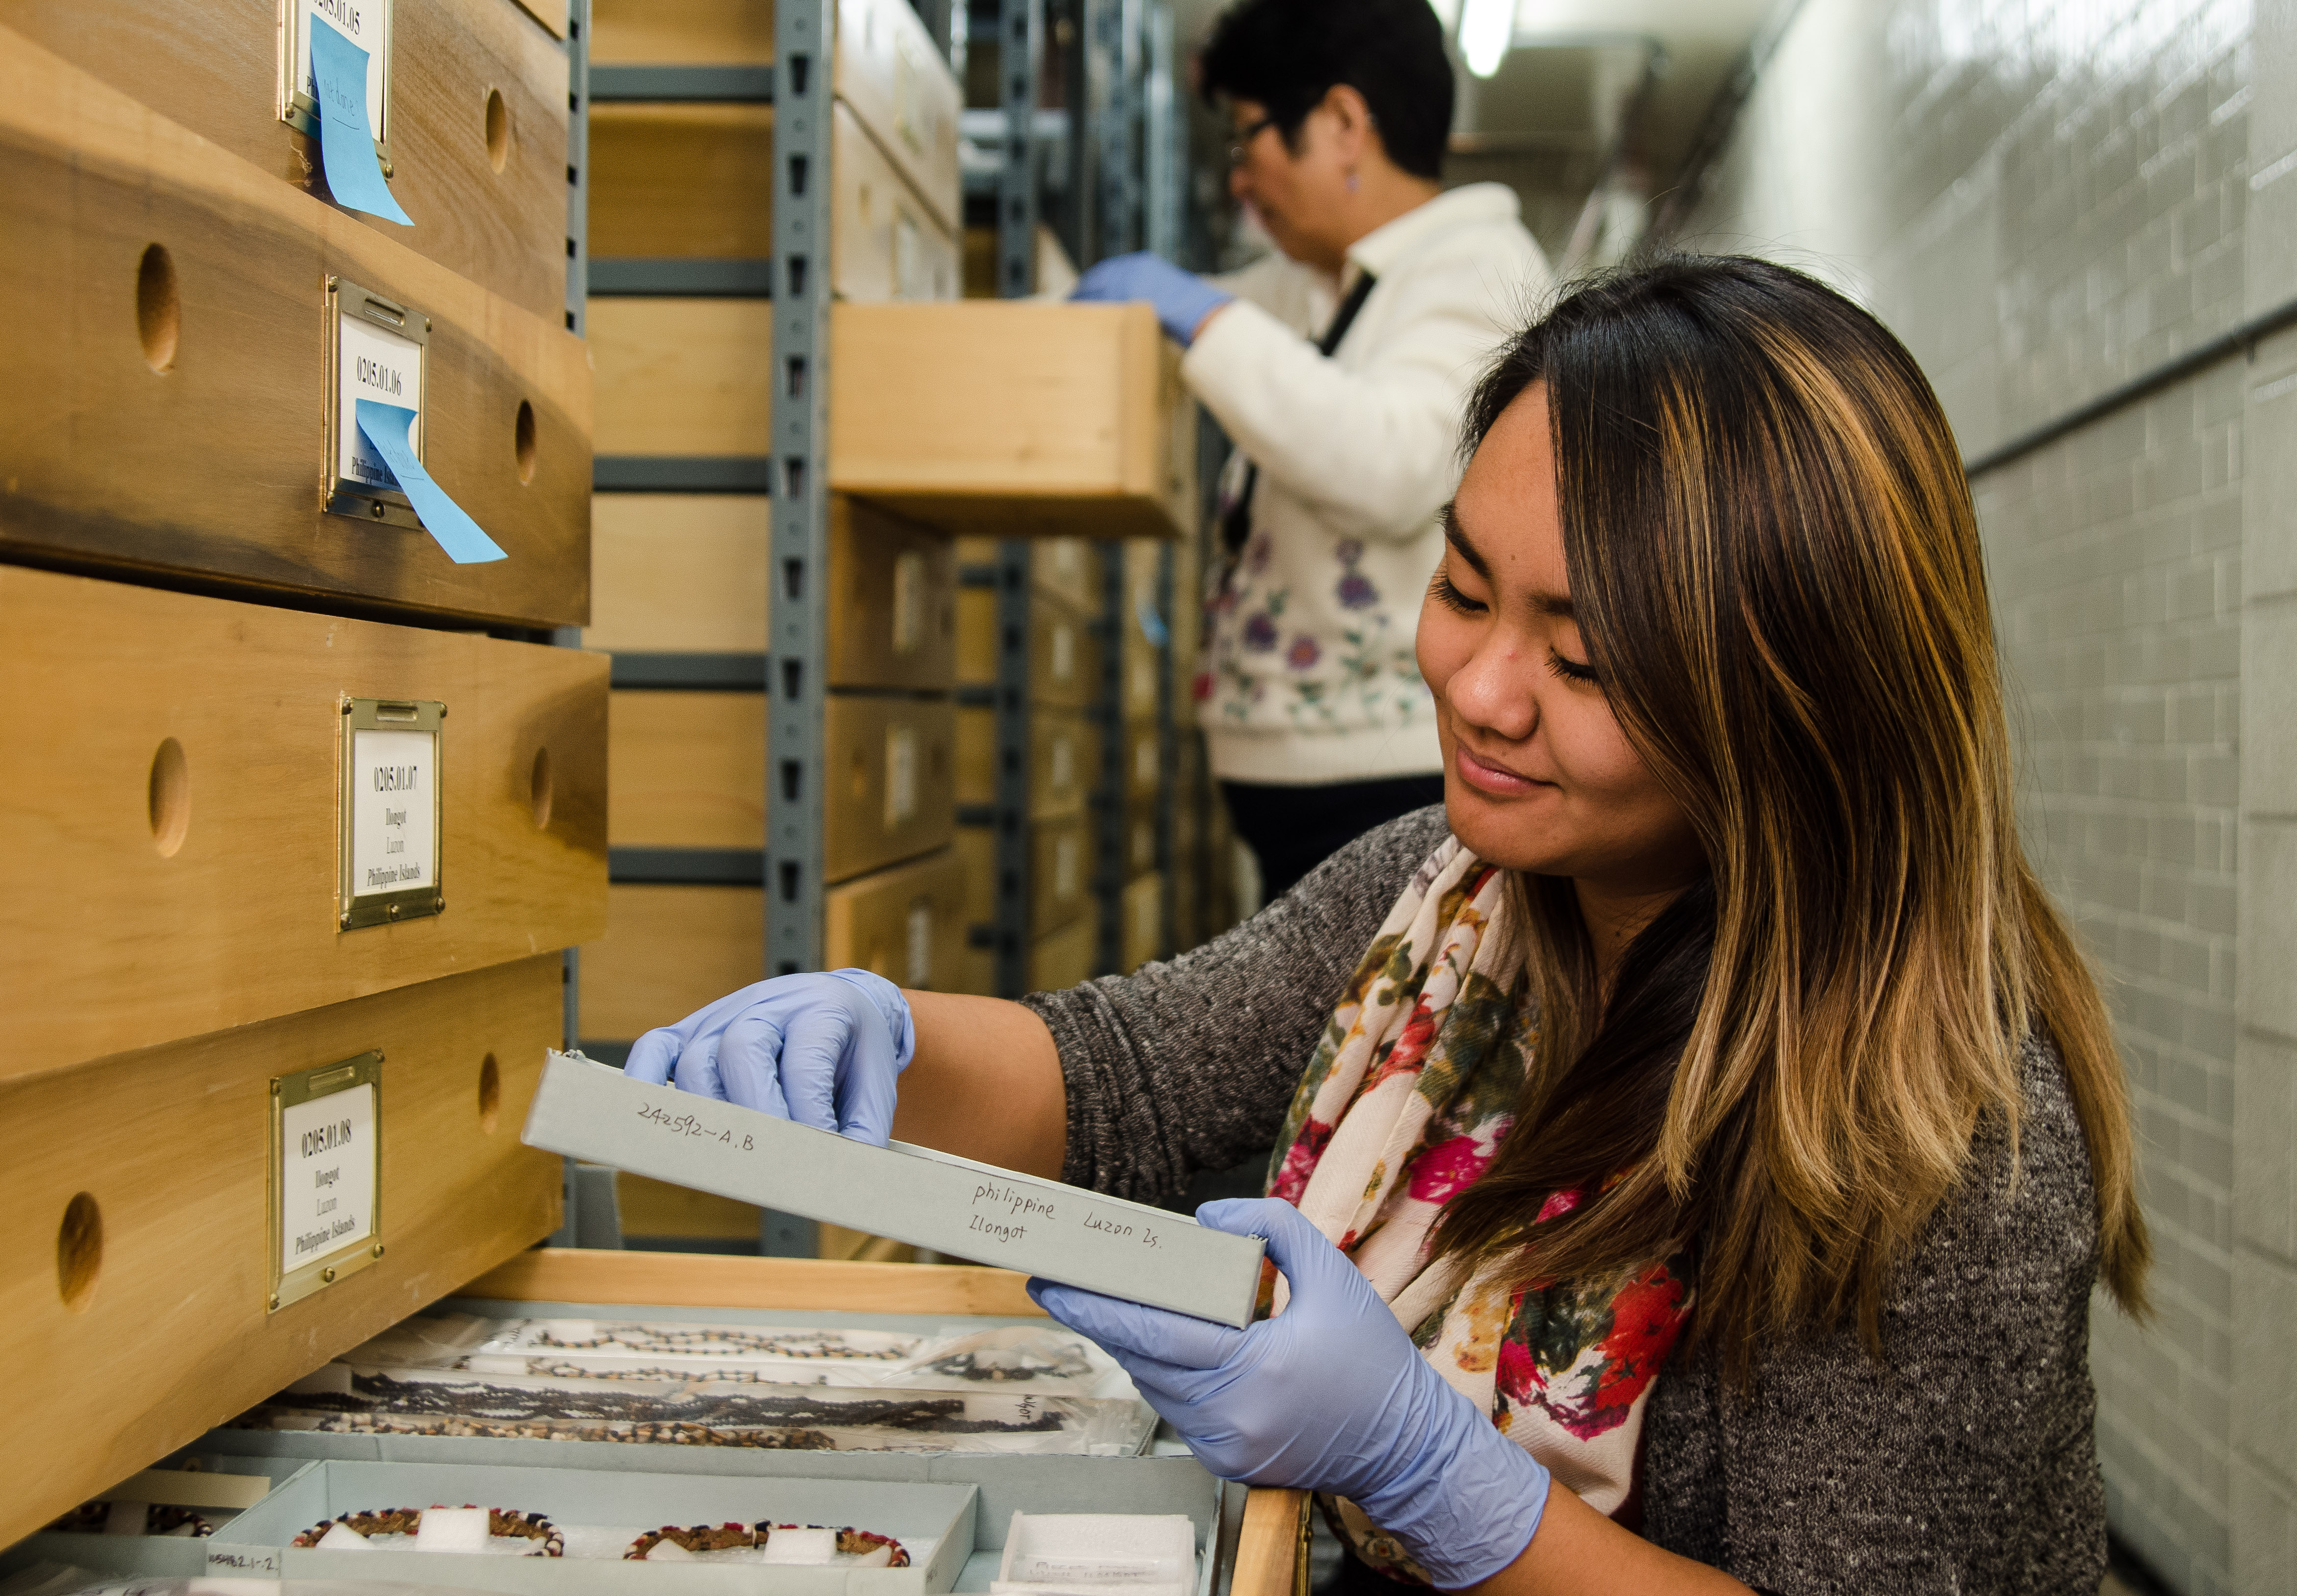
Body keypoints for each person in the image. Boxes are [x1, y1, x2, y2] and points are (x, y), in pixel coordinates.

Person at [627, 257, 2149, 1593]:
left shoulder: (1947, 1147)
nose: (1479, 691)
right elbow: (1130, 1077)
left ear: (1796, 708)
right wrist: (878, 1052)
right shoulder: (1448, 894)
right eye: (1464, 588)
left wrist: (1439, 1482)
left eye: (1587, 660)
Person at [1070, 0, 1550, 901]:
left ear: (1339, 124)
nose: (1239, 180)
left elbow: (1390, 465)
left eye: (1247, 137)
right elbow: (1210, 327)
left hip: (1383, 785)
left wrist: (1200, 316)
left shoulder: (1478, 269)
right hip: (1301, 780)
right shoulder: (1314, 285)